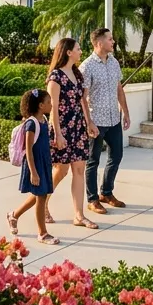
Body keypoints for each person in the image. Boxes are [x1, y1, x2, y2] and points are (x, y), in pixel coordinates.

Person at [44, 37, 99, 229]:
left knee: (78, 170)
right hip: (63, 128)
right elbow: (54, 109)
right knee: (61, 170)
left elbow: (82, 101)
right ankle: (42, 204)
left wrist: (89, 122)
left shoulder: (77, 74)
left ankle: (79, 215)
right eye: (77, 48)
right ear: (68, 52)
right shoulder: (55, 77)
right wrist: (58, 135)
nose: (80, 51)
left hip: (78, 127)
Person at [81, 27, 130, 215]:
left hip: (113, 119)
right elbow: (83, 98)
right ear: (99, 43)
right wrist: (89, 122)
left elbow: (119, 89)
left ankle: (106, 193)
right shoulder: (86, 66)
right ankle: (92, 199)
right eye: (110, 39)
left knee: (116, 155)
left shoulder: (114, 62)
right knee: (93, 160)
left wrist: (125, 112)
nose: (113, 42)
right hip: (96, 121)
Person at [8, 88, 59, 245]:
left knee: (40, 196)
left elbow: (43, 143)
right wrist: (33, 172)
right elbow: (28, 150)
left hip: (43, 163)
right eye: (49, 102)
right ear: (40, 105)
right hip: (35, 165)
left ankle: (13, 215)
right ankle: (42, 234)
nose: (52, 105)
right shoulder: (31, 124)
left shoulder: (43, 119)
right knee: (41, 197)